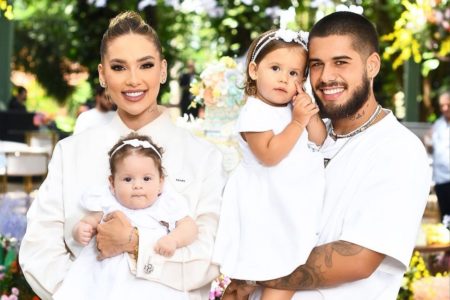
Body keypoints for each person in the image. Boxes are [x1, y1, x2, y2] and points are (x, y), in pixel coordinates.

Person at [223, 11, 431, 300]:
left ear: (372, 65)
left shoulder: (398, 149)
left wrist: (252, 273)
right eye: (316, 65)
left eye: (341, 62)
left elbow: (357, 258)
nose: (326, 76)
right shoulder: (308, 132)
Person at [19, 11, 225, 300]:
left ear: (163, 70)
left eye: (146, 65)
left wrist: (136, 244)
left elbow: (210, 256)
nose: (133, 80)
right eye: (119, 67)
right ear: (103, 75)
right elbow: (39, 247)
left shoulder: (203, 157)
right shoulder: (71, 152)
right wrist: (84, 291)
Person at [213, 28, 326, 300]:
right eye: (275, 68)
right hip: (265, 203)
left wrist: (307, 113)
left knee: (290, 265)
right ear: (254, 70)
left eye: (293, 73)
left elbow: (320, 139)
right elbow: (269, 154)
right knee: (258, 270)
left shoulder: (294, 108)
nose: (283, 78)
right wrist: (298, 122)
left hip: (291, 200)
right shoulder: (254, 110)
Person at [54, 133, 197, 299]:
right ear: (112, 183)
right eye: (128, 179)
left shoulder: (165, 203)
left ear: (161, 182)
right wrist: (80, 230)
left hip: (148, 277)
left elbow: (189, 226)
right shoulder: (108, 202)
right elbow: (89, 221)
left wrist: (174, 239)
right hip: (105, 278)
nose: (137, 185)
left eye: (146, 178)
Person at [427, 91, 450, 221]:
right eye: (442, 106)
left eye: (448, 105)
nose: (445, 108)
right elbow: (431, 146)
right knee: (445, 218)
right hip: (441, 179)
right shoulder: (438, 124)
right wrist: (427, 142)